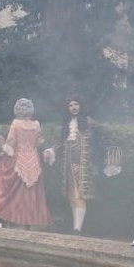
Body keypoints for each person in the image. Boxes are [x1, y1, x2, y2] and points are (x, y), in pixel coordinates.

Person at [0, 98, 52, 228]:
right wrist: (47, 150)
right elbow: (40, 143)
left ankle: (9, 217)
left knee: (14, 192)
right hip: (34, 162)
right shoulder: (36, 125)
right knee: (31, 193)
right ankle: (29, 222)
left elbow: (11, 144)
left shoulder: (16, 123)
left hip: (19, 160)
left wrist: (2, 147)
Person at [43, 95, 101, 235]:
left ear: (80, 106)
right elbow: (61, 143)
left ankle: (77, 229)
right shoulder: (66, 125)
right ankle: (76, 228)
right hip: (67, 166)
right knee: (72, 196)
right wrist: (50, 150)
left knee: (80, 195)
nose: (74, 107)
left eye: (76, 104)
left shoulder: (90, 123)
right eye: (71, 105)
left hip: (83, 166)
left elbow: (99, 144)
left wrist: (97, 163)